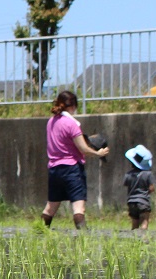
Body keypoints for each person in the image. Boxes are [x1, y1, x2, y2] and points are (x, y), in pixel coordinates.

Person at [41, 91, 109, 230]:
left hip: (54, 169)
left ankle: (38, 234)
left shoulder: (51, 122)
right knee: (78, 208)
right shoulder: (71, 124)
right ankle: (83, 238)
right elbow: (83, 148)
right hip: (71, 169)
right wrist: (98, 153)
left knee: (50, 207)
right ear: (73, 106)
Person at [123, 144, 155, 231]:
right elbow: (151, 188)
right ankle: (143, 236)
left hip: (131, 201)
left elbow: (126, 184)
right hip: (143, 201)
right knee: (145, 220)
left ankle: (134, 238)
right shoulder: (148, 174)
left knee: (134, 222)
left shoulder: (128, 174)